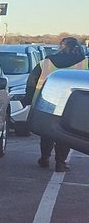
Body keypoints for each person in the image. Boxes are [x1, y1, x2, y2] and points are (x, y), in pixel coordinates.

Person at [25, 37, 89, 172]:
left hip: (45, 102)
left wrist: (28, 99)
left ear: (60, 47)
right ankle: (60, 162)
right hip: (72, 106)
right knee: (65, 134)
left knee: (46, 132)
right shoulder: (85, 63)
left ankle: (44, 158)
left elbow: (31, 82)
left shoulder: (45, 63)